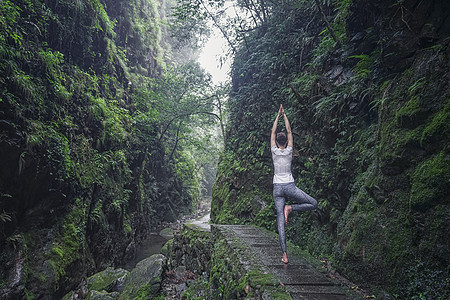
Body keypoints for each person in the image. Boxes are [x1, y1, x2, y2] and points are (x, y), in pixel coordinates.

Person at [270, 104, 318, 264]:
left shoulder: (274, 151)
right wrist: (284, 115)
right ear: (285, 141)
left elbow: (272, 131)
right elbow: (290, 131)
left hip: (277, 188)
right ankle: (290, 208)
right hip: (290, 186)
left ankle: (284, 254)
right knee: (313, 203)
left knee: (280, 221)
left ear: (276, 141)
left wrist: (277, 115)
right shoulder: (289, 150)